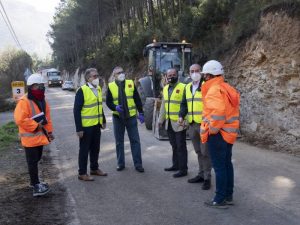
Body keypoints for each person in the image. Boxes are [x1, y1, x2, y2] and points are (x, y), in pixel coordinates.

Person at [200, 60, 240, 209]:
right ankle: (228, 195)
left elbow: (218, 113)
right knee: (226, 164)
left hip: (218, 134)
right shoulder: (226, 87)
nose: (203, 78)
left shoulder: (213, 90)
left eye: (205, 75)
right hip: (229, 134)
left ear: (209, 75)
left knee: (219, 167)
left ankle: (219, 199)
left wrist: (213, 130)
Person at [14, 73, 54, 197]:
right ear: (31, 87)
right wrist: (36, 125)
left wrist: (50, 132)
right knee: (32, 162)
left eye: (42, 85)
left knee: (36, 161)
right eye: (38, 86)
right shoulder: (23, 101)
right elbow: (20, 119)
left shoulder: (43, 100)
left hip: (40, 138)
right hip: (29, 139)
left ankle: (34, 182)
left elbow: (47, 118)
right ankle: (36, 186)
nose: (41, 88)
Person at [178, 64, 212, 190]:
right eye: (192, 71)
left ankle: (207, 178)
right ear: (189, 73)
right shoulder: (187, 87)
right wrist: (181, 115)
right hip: (192, 124)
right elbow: (184, 104)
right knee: (198, 151)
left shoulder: (206, 86)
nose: (194, 73)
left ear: (201, 72)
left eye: (197, 71)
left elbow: (211, 104)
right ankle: (201, 174)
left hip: (203, 124)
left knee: (205, 152)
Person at [106, 66, 145, 173]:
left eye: (122, 72)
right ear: (114, 76)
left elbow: (137, 99)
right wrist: (115, 108)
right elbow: (108, 102)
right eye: (118, 73)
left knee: (135, 141)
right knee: (119, 142)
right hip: (118, 118)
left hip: (131, 117)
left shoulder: (130, 83)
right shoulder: (111, 86)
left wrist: (141, 112)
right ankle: (120, 163)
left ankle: (138, 164)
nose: (121, 74)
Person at [74, 68, 107, 181]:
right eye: (94, 76)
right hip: (86, 127)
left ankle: (94, 168)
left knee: (95, 148)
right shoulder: (82, 90)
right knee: (84, 150)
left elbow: (99, 106)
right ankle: (82, 173)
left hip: (96, 125)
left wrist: (103, 120)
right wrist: (79, 128)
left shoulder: (98, 88)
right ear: (88, 78)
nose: (97, 78)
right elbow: (76, 110)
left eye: (97, 75)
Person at [158, 68, 188, 178]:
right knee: (174, 146)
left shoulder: (184, 88)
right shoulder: (165, 88)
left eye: (173, 74)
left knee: (181, 146)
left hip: (180, 123)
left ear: (177, 75)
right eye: (169, 75)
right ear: (166, 76)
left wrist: (186, 120)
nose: (171, 76)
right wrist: (160, 120)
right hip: (169, 122)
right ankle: (175, 165)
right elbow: (163, 106)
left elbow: (187, 105)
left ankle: (183, 169)